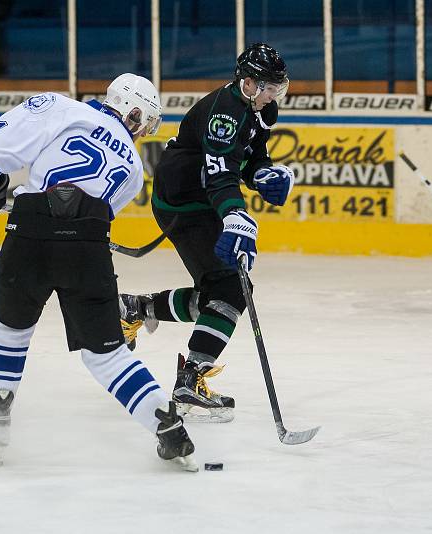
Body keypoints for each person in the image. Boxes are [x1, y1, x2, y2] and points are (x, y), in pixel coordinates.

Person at [0, 73, 196, 469]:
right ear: (133, 111)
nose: (143, 131)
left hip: (30, 236)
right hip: (87, 249)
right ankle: (168, 427)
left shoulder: (61, 107)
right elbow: (91, 213)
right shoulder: (134, 169)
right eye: (145, 122)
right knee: (105, 356)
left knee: (11, 331)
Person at [118, 43, 294, 423]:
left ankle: (137, 308)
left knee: (220, 293)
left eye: (277, 88)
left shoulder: (259, 108)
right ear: (247, 83)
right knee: (229, 290)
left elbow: (247, 157)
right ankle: (190, 381)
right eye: (267, 87)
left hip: (199, 200)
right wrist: (235, 216)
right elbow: (219, 175)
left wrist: (264, 173)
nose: (273, 95)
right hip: (183, 201)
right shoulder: (225, 114)